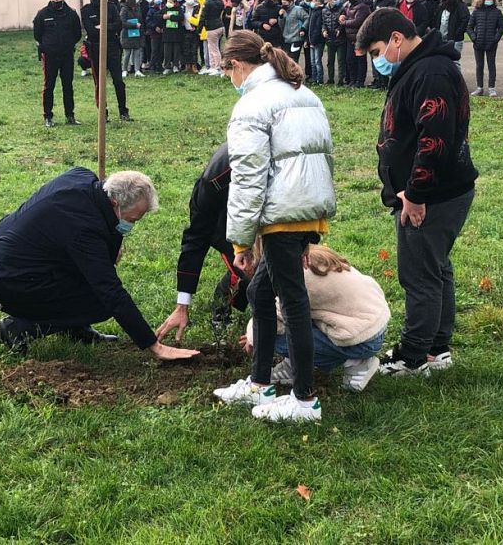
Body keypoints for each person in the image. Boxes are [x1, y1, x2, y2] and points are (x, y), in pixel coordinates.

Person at [212, 30, 336, 422]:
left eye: (224, 71)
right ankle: (260, 382)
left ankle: (304, 400)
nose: (227, 80)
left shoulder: (253, 106)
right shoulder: (305, 94)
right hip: (307, 210)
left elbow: (248, 176)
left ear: (236, 65)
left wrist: (240, 241)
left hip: (281, 215)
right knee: (260, 293)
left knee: (293, 302)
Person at [355, 8, 478, 376]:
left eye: (377, 52)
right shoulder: (421, 67)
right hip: (434, 190)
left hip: (432, 195)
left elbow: (434, 139)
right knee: (435, 268)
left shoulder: (430, 72)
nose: (378, 61)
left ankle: (413, 355)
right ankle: (436, 348)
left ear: (396, 38)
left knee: (419, 274)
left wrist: (416, 192)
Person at [0, 167, 200, 361]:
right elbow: (110, 291)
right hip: (9, 281)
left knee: (85, 280)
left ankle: (75, 329)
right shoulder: (84, 231)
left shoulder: (82, 177)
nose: (131, 226)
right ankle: (18, 330)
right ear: (115, 204)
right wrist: (153, 345)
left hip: (14, 259)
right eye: (131, 220)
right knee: (100, 301)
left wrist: (114, 237)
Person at [240, 244, 390, 393]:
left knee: (273, 337)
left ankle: (357, 361)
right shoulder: (303, 255)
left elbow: (273, 316)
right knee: (297, 320)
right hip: (373, 322)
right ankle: (293, 365)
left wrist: (252, 338)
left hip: (363, 338)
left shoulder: (292, 272)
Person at [155, 143, 251, 342]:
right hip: (226, 223)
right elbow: (196, 238)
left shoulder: (287, 162)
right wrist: (182, 304)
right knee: (248, 269)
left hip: (278, 215)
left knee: (276, 269)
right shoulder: (215, 182)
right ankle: (221, 307)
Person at [32, 0, 82, 128]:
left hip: (66, 55)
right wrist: (47, 46)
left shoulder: (71, 13)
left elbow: (77, 33)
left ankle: (70, 115)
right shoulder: (43, 13)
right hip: (50, 55)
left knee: (68, 85)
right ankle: (48, 116)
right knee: (49, 86)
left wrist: (67, 44)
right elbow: (37, 34)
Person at [81, 0, 131, 121]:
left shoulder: (111, 7)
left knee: (118, 81)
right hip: (95, 48)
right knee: (99, 83)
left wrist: (102, 27)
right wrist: (106, 28)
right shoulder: (86, 10)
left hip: (112, 47)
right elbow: (90, 30)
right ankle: (103, 113)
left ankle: (123, 111)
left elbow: (118, 25)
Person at [467, 0, 503, 97]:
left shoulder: (497, 12)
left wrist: (495, 39)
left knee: (491, 65)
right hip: (478, 43)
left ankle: (491, 88)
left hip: (491, 44)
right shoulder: (476, 11)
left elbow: (502, 28)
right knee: (479, 66)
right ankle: (479, 88)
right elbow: (469, 27)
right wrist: (474, 38)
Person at [340, 0, 372, 88]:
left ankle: (360, 81)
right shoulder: (348, 5)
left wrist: (344, 22)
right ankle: (352, 80)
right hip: (349, 37)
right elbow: (342, 14)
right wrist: (341, 17)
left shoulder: (363, 7)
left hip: (359, 37)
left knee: (360, 60)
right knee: (350, 59)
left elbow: (358, 21)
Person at [433, 0, 470, 69]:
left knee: (454, 62)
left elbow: (465, 20)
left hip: (455, 40)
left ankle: (457, 81)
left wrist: (457, 33)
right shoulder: (442, 6)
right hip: (442, 38)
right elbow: (437, 20)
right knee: (442, 61)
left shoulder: (460, 6)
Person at [321, 0, 346, 85]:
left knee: (340, 60)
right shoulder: (324, 10)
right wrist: (324, 31)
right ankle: (330, 79)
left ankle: (341, 80)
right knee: (330, 61)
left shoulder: (341, 9)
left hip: (340, 38)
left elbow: (343, 22)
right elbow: (323, 23)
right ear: (329, 0)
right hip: (329, 38)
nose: (336, 1)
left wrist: (340, 29)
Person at [120, 0, 145, 78]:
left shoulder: (138, 8)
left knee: (137, 52)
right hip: (127, 34)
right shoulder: (124, 9)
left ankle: (137, 70)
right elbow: (122, 22)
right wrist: (134, 25)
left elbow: (141, 19)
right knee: (127, 53)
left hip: (137, 34)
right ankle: (124, 70)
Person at [202, 0, 226, 75]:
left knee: (213, 48)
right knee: (213, 47)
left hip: (212, 27)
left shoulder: (207, 2)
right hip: (220, 26)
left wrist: (200, 27)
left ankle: (217, 67)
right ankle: (213, 66)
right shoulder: (220, 2)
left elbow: (204, 16)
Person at [280, 0, 309, 64]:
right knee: (286, 59)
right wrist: (281, 16)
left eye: (285, 2)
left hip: (296, 38)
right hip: (286, 39)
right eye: (282, 2)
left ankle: (295, 74)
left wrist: (303, 28)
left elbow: (307, 19)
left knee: (294, 59)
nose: (284, 4)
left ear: (291, 2)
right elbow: (281, 25)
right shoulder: (282, 11)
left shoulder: (298, 9)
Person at [161, 0, 183, 74]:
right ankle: (167, 66)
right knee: (167, 51)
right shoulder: (165, 8)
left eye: (170, 2)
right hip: (167, 34)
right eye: (168, 1)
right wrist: (163, 17)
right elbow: (157, 16)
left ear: (174, 2)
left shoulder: (179, 8)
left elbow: (181, 17)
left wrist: (171, 17)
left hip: (176, 33)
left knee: (176, 51)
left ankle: (176, 65)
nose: (168, 3)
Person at [307, 0, 326, 84]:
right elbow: (309, 27)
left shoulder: (321, 11)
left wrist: (313, 40)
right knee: (312, 62)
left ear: (318, 2)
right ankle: (314, 79)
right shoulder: (313, 10)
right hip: (311, 40)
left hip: (317, 41)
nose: (312, 2)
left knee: (317, 61)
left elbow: (318, 28)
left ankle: (319, 79)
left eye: (313, 1)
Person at [145, 0, 165, 74]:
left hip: (163, 32)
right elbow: (148, 21)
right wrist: (155, 27)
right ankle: (152, 66)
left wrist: (163, 28)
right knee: (154, 50)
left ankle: (159, 65)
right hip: (154, 33)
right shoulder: (151, 9)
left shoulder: (164, 9)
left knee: (161, 50)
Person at [182, 0, 201, 72]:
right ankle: (187, 65)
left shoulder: (197, 7)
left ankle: (194, 65)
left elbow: (199, 19)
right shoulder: (183, 7)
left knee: (194, 49)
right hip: (185, 30)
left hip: (194, 31)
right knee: (186, 49)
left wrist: (195, 27)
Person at [140, 0, 154, 68]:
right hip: (144, 26)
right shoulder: (142, 1)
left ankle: (151, 61)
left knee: (152, 46)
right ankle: (144, 61)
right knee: (145, 46)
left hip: (152, 26)